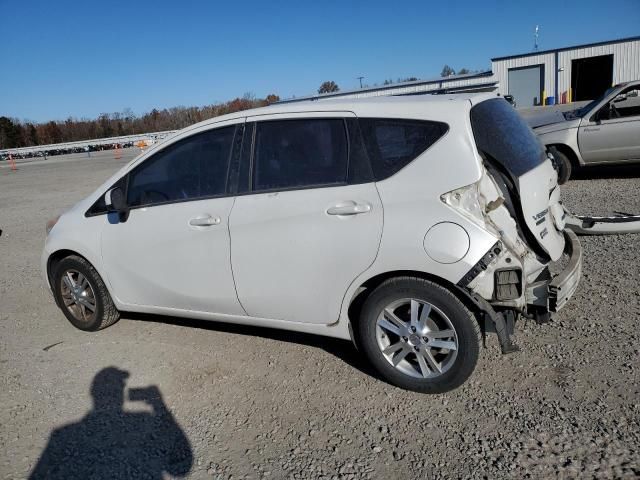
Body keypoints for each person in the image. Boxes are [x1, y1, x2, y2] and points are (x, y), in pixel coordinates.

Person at [30, 367, 193, 479]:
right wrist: (160, 406)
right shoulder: (144, 418)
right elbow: (180, 470)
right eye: (120, 386)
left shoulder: (63, 434)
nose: (120, 390)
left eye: (119, 387)